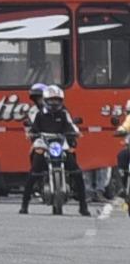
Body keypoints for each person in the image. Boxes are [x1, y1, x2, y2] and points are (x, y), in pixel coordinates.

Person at [20, 85, 87, 216]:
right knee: (34, 171)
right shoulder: (39, 114)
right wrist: (32, 134)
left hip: (61, 143)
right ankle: (24, 204)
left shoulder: (63, 113)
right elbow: (34, 128)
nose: (54, 103)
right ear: (45, 100)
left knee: (77, 171)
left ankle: (83, 205)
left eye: (57, 100)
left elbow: (70, 126)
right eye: (51, 100)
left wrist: (75, 133)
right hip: (44, 143)